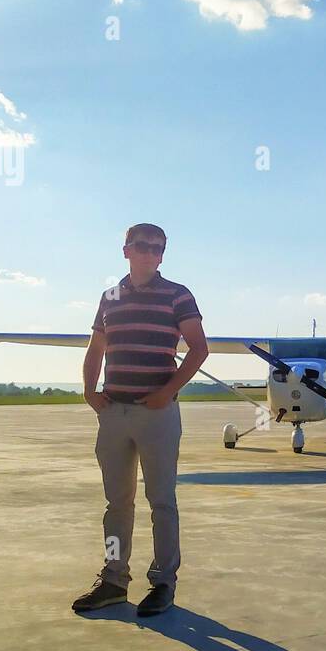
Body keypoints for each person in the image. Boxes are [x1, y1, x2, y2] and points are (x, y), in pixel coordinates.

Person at [72, 224, 209, 616]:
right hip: (114, 412)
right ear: (126, 250)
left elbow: (199, 348)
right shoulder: (109, 296)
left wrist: (167, 391)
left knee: (162, 501)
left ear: (163, 255)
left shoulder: (178, 295)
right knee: (117, 502)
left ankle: (164, 582)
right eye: (141, 246)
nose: (149, 252)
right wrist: (89, 390)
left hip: (157, 414)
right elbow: (96, 347)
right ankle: (114, 579)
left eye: (157, 247)